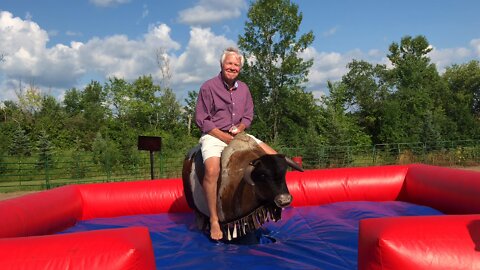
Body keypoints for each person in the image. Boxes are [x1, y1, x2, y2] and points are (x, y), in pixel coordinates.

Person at [195, 47, 277, 240]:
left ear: (240, 68)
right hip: (214, 135)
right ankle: (214, 220)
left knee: (274, 158)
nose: (233, 67)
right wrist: (222, 137)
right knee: (212, 170)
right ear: (222, 65)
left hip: (237, 134)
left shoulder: (245, 89)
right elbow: (202, 119)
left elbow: (248, 115)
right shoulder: (208, 87)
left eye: (236, 65)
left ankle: (268, 204)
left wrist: (240, 128)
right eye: (229, 63)